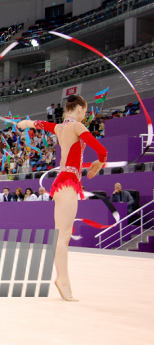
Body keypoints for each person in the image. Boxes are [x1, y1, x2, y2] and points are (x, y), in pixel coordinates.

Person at [18, 94, 106, 301]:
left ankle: (63, 280)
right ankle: (63, 281)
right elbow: (101, 150)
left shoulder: (59, 128)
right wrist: (99, 162)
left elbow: (36, 123)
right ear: (80, 108)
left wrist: (23, 123)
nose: (85, 114)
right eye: (85, 110)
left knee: (62, 235)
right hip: (68, 183)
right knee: (64, 236)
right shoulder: (77, 127)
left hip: (61, 183)